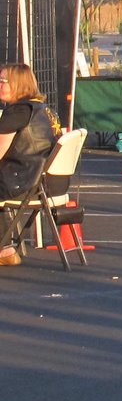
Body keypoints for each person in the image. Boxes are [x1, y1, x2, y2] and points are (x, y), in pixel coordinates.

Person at [0, 63, 60, 266]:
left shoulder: (17, 112)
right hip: (44, 183)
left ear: (19, 83)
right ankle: (5, 247)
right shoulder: (44, 110)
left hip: (21, 182)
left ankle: (5, 248)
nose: (0, 85)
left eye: (4, 81)